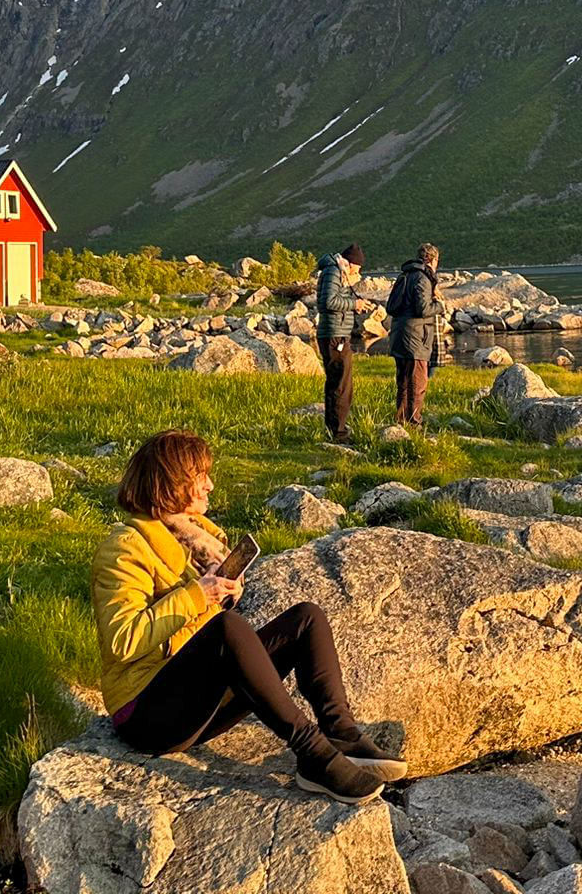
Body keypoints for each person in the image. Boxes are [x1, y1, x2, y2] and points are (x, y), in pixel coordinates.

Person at [93, 430, 404, 803]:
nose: (209, 484)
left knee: (307, 618)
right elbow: (123, 640)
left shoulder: (199, 541)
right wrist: (198, 594)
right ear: (172, 484)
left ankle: (342, 733)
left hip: (194, 699)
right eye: (199, 477)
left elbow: (194, 633)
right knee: (227, 630)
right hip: (146, 716)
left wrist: (220, 594)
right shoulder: (124, 550)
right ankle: (313, 754)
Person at [384, 243, 445, 429]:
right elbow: (423, 308)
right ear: (432, 260)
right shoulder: (423, 278)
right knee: (417, 382)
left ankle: (401, 420)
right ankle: (414, 422)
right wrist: (440, 305)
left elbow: (391, 307)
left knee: (402, 381)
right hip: (416, 337)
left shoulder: (404, 275)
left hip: (399, 334)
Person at [314, 242, 366, 442]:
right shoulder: (334, 272)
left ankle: (334, 428)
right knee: (341, 384)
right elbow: (328, 302)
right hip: (334, 335)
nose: (358, 273)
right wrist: (354, 304)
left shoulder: (336, 272)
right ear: (350, 263)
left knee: (338, 382)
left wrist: (354, 307)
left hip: (336, 333)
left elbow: (335, 299)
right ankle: (338, 433)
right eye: (358, 268)